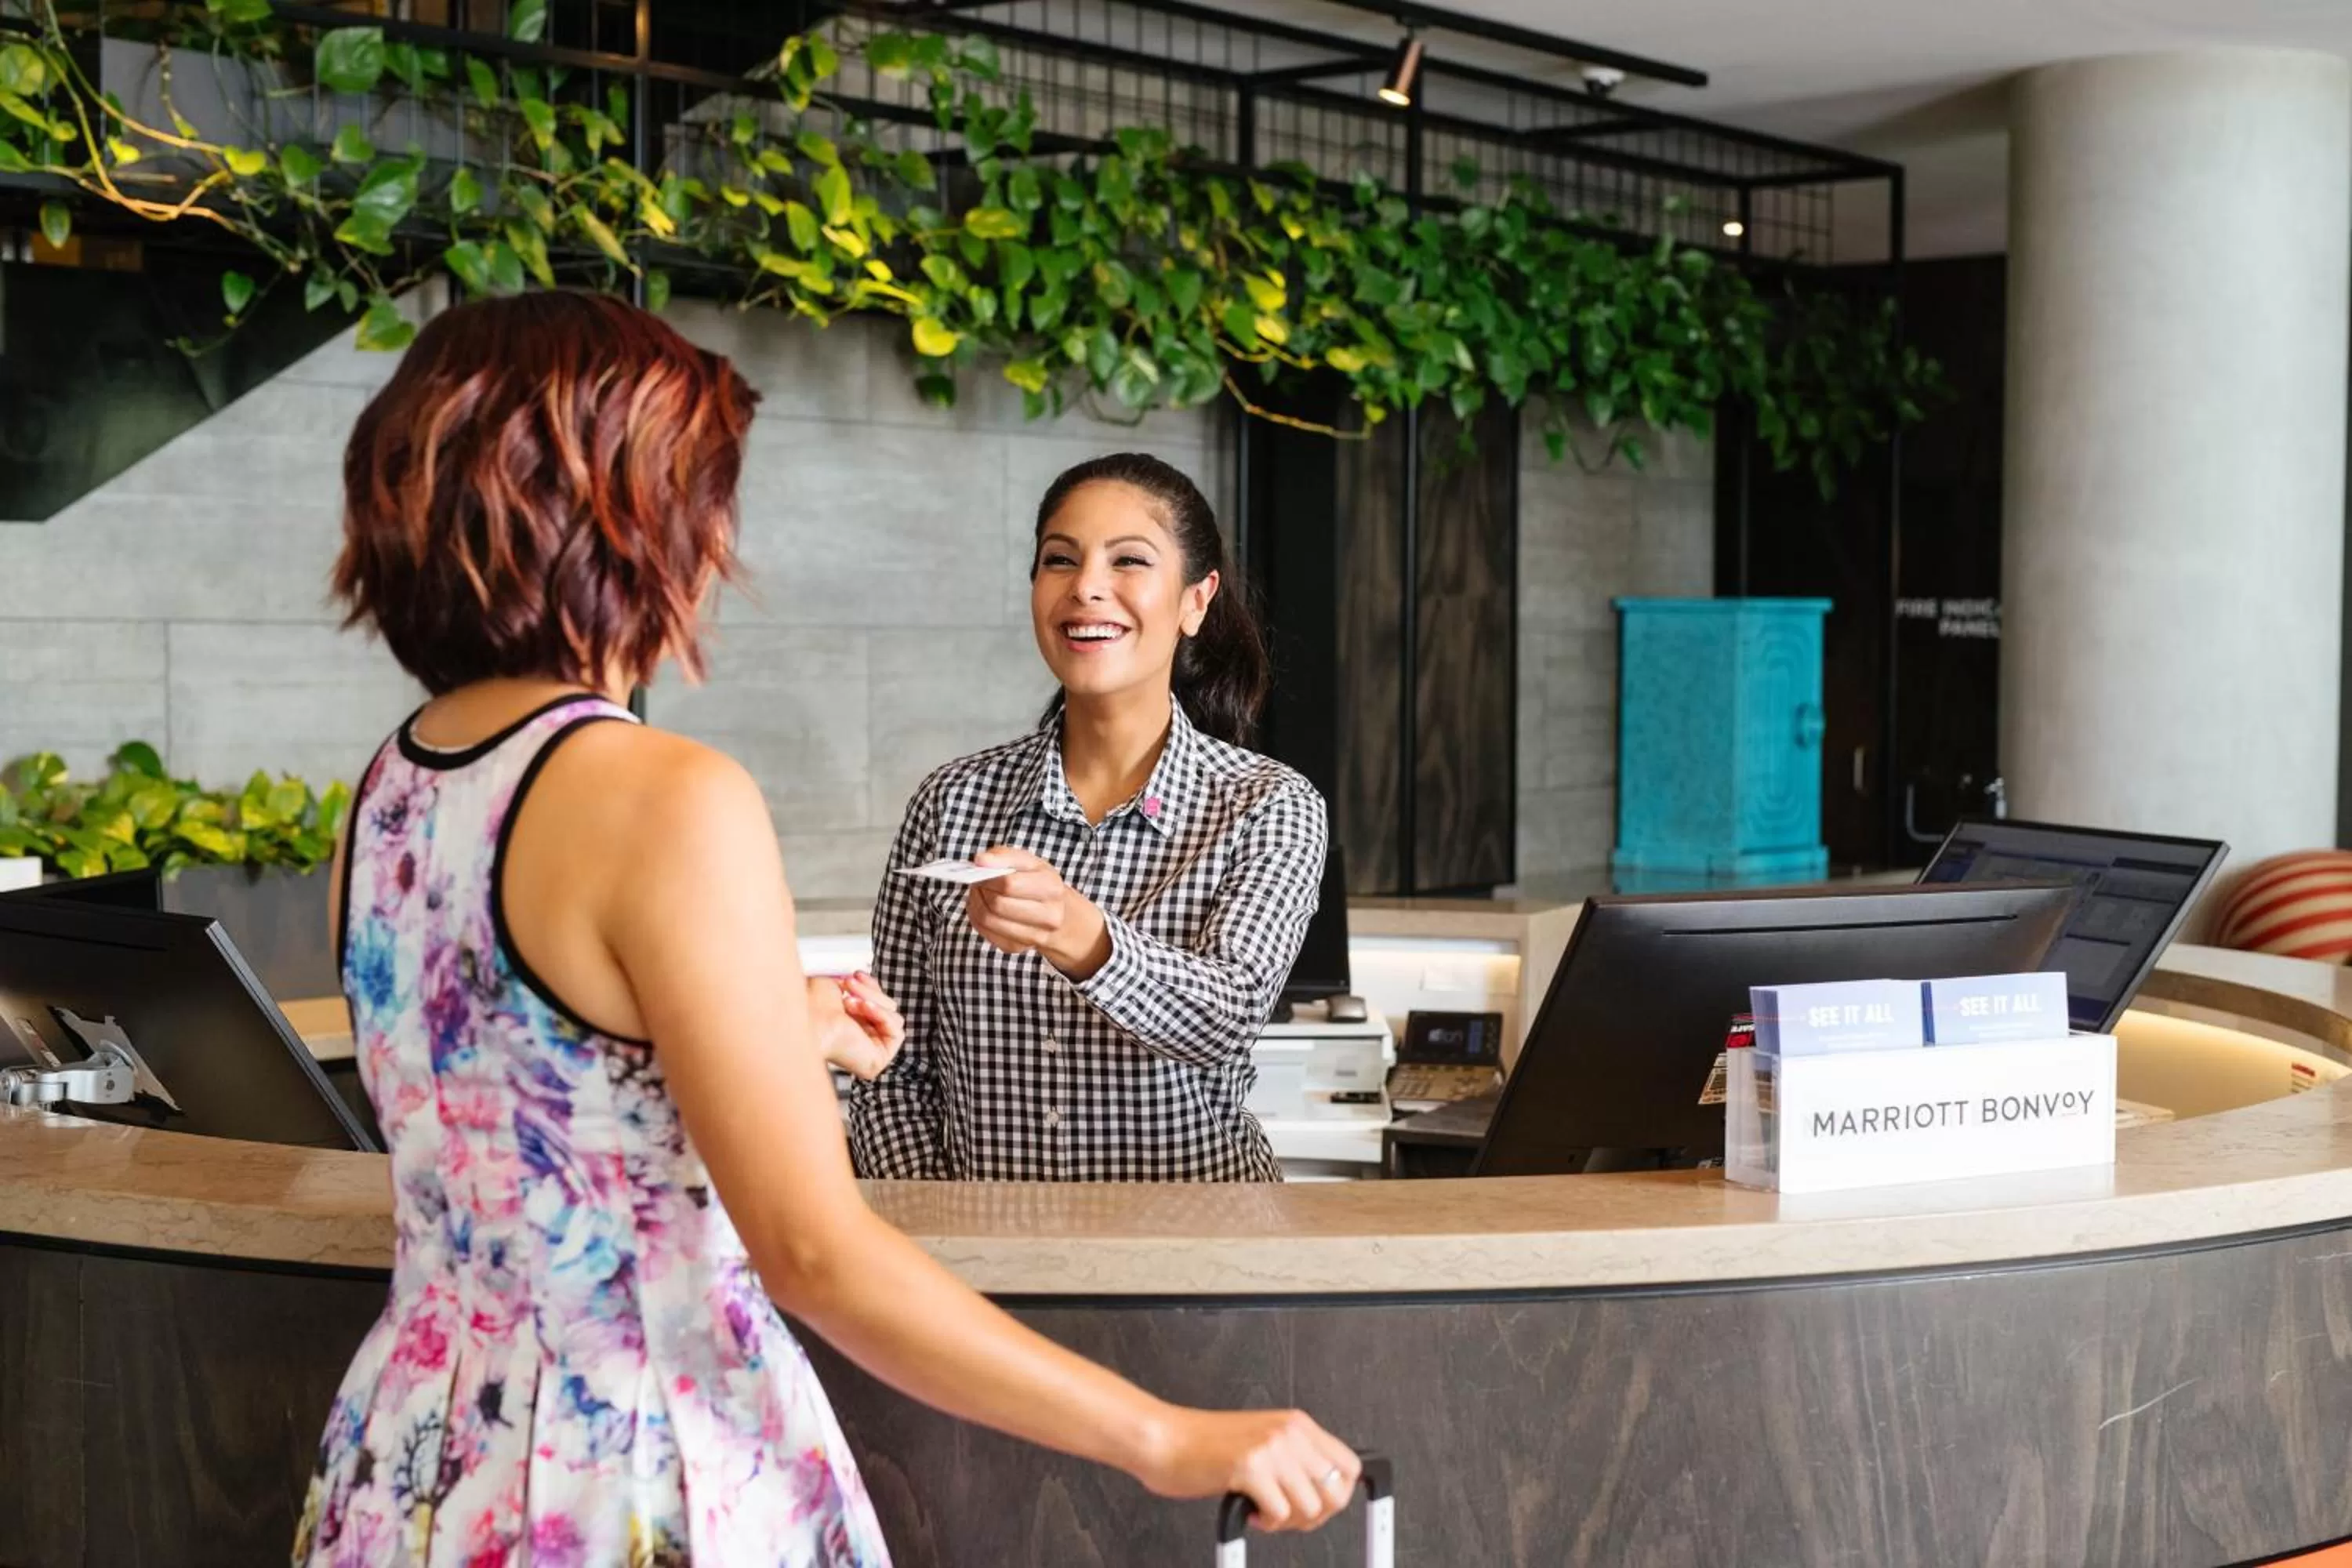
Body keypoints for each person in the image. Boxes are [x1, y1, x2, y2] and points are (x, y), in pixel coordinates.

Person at [292, 293, 1358, 1566]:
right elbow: (812, 1249)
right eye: (702, 486)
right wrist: (1167, 1439)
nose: (721, 530)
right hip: (627, 1471)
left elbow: (542, 1089)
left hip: (414, 1464)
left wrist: (772, 1032)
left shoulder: (387, 797)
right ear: (622, 516)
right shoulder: (669, 799)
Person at [849, 453, 1327, 1183]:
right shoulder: (951, 802)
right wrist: (951, 1239)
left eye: (1129, 560)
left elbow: (1228, 1016)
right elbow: (892, 1069)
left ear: (1196, 601)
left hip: (1202, 1259)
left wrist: (1079, 933)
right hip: (987, 1270)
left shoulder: (1268, 804)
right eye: (1059, 561)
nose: (1087, 589)